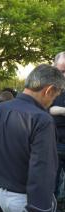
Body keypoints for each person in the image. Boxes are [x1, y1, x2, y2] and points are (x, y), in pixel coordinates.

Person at [0, 64, 65, 212]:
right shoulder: (42, 119)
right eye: (55, 96)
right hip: (27, 200)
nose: (52, 101)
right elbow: (43, 171)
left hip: (1, 192)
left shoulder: (0, 108)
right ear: (49, 90)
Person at [50, 51, 65, 199]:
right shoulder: (49, 86)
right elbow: (41, 108)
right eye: (61, 71)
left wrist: (58, 110)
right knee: (51, 185)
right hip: (53, 142)